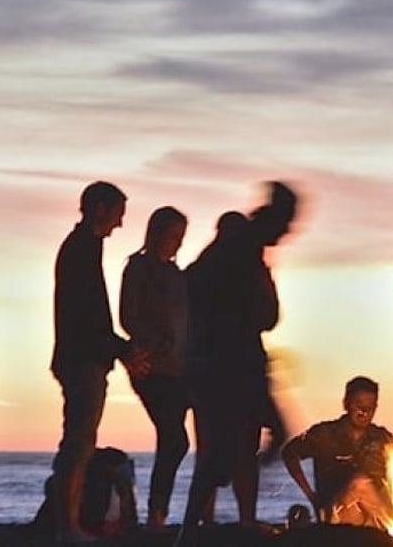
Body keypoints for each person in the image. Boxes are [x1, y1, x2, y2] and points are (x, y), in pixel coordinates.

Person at [176, 182, 297, 546]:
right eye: (286, 224)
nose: (287, 233)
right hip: (228, 365)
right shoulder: (240, 250)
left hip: (228, 363)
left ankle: (195, 525)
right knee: (226, 453)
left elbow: (264, 314)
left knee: (242, 446)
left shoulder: (235, 253)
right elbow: (265, 315)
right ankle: (191, 528)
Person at [50, 181, 149, 542]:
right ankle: (69, 526)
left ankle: (69, 523)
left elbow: (91, 317)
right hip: (82, 359)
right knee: (79, 442)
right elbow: (87, 317)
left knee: (80, 441)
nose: (120, 223)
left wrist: (119, 350)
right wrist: (121, 349)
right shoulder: (80, 250)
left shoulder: (84, 248)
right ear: (100, 209)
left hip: (84, 356)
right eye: (118, 214)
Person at [119, 206, 190, 528]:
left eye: (181, 237)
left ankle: (159, 514)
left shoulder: (177, 275)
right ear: (157, 234)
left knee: (172, 439)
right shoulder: (139, 268)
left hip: (180, 367)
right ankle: (156, 514)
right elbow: (128, 316)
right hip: (151, 366)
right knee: (175, 439)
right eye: (173, 235)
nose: (177, 243)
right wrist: (156, 341)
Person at [281, 376, 393, 529]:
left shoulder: (382, 438)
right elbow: (289, 453)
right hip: (338, 514)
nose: (364, 412)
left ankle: (392, 528)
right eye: (359, 405)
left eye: (370, 407)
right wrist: (311, 496)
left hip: (374, 517)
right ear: (346, 404)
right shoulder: (325, 435)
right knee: (360, 484)